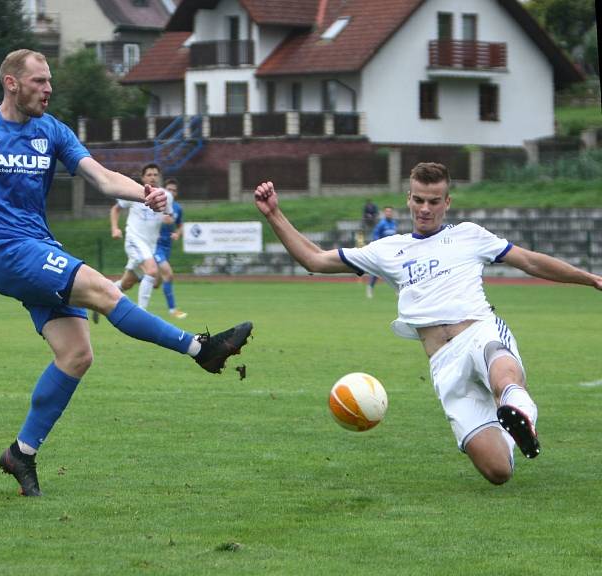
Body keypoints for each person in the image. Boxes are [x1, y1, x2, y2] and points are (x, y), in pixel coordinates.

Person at [0, 49, 252, 497]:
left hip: (39, 248)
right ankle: (200, 349)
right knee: (104, 291)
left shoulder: (52, 131)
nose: (48, 90)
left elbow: (103, 178)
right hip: (2, 250)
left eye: (49, 82)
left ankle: (21, 453)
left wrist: (144, 192)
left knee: (76, 355)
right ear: (11, 83)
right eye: (39, 82)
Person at [254, 162, 602, 485]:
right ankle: (514, 431)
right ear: (408, 199)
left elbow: (529, 261)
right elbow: (314, 260)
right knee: (498, 472)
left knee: (503, 371)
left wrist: (588, 278)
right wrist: (274, 214)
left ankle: (517, 411)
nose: (425, 208)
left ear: (446, 202)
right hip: (444, 364)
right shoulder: (388, 250)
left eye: (434, 201)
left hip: (479, 330)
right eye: (418, 199)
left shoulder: (469, 235)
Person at [108, 163, 172, 312]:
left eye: (155, 174)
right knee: (151, 271)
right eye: (149, 174)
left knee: (127, 284)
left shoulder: (165, 196)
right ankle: (142, 314)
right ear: (143, 177)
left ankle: (101, 298)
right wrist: (115, 228)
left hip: (150, 246)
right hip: (134, 240)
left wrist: (169, 219)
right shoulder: (135, 193)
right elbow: (115, 209)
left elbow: (169, 216)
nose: (153, 177)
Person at [154, 177, 188, 319]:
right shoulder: (157, 205)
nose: (171, 192)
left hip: (167, 247)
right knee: (168, 274)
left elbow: (180, 225)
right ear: (164, 190)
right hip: (155, 246)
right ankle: (173, 310)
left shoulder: (178, 208)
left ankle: (122, 284)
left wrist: (177, 233)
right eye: (169, 189)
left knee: (155, 283)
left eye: (174, 190)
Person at [365, 206, 398, 299]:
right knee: (377, 270)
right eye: (387, 212)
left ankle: (397, 289)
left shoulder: (394, 223)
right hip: (383, 251)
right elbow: (375, 235)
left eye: (390, 212)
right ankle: (370, 287)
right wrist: (379, 246)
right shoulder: (381, 224)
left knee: (395, 269)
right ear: (384, 213)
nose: (389, 213)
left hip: (392, 251)